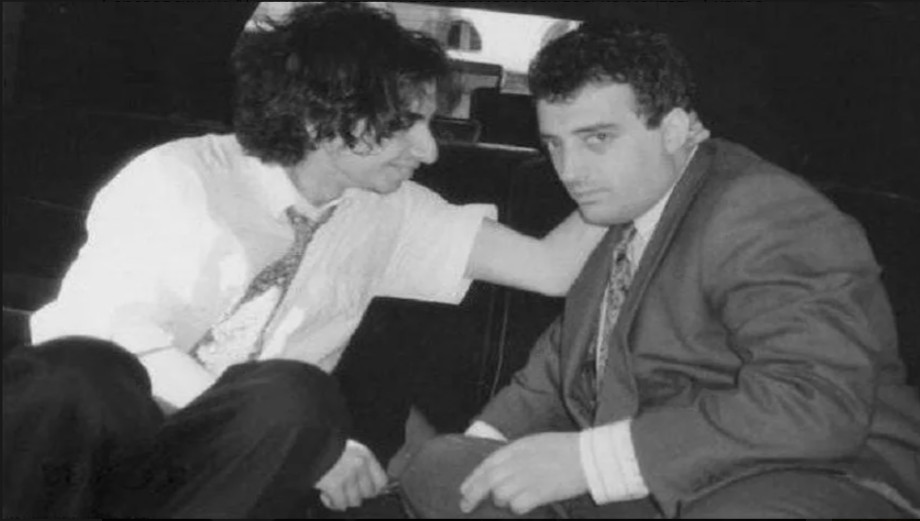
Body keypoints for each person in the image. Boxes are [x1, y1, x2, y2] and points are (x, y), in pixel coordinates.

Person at [2, 3, 624, 518]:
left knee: (294, 395)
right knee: (79, 371)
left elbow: (551, 268)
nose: (429, 150)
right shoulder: (180, 180)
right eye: (406, 124)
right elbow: (105, 339)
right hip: (86, 452)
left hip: (222, 476)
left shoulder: (391, 210)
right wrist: (319, 451)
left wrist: (627, 173)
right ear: (320, 116)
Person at [398, 19, 920, 519]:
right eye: (555, 144)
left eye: (597, 138)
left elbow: (817, 401)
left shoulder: (762, 211)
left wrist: (589, 460)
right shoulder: (622, 214)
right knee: (445, 471)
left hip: (811, 476)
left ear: (672, 130)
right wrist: (486, 452)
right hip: (653, 482)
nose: (571, 171)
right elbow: (562, 372)